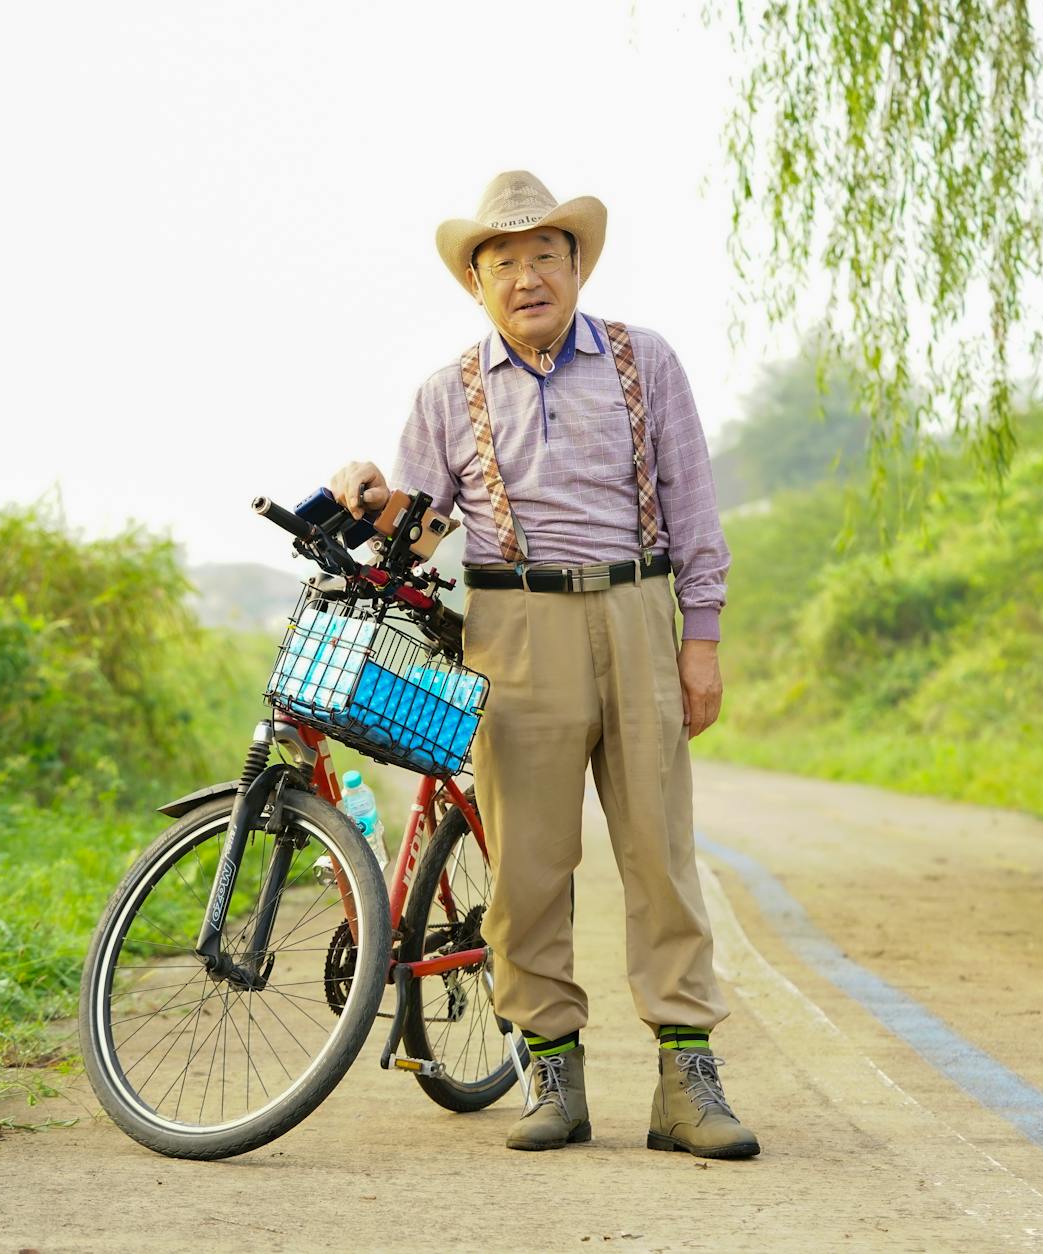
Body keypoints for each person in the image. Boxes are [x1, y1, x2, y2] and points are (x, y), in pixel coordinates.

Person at [328, 171, 758, 1158]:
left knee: (659, 851)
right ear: (474, 283)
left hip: (638, 609)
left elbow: (693, 506)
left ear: (576, 266)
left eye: (544, 256)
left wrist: (700, 639)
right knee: (525, 864)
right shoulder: (447, 392)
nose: (527, 277)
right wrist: (370, 493)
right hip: (515, 628)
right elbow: (421, 532)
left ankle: (685, 1081)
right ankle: (552, 1073)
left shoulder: (645, 361)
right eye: (504, 263)